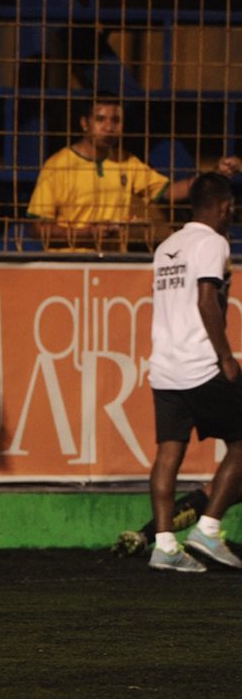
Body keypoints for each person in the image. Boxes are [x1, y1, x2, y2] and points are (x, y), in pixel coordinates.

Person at [146, 172, 242, 572]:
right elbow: (206, 301)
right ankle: (208, 527)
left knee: (169, 453)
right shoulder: (212, 242)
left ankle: (165, 545)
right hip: (200, 365)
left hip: (164, 367)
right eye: (231, 206)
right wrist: (225, 357)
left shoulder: (167, 245)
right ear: (223, 206)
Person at [27, 96, 241, 249]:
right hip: (67, 265)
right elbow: (37, 229)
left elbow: (168, 192)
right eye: (101, 119)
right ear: (84, 123)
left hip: (112, 265)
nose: (109, 127)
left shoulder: (126, 161)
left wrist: (215, 174)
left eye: (116, 120)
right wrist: (86, 234)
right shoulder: (58, 165)